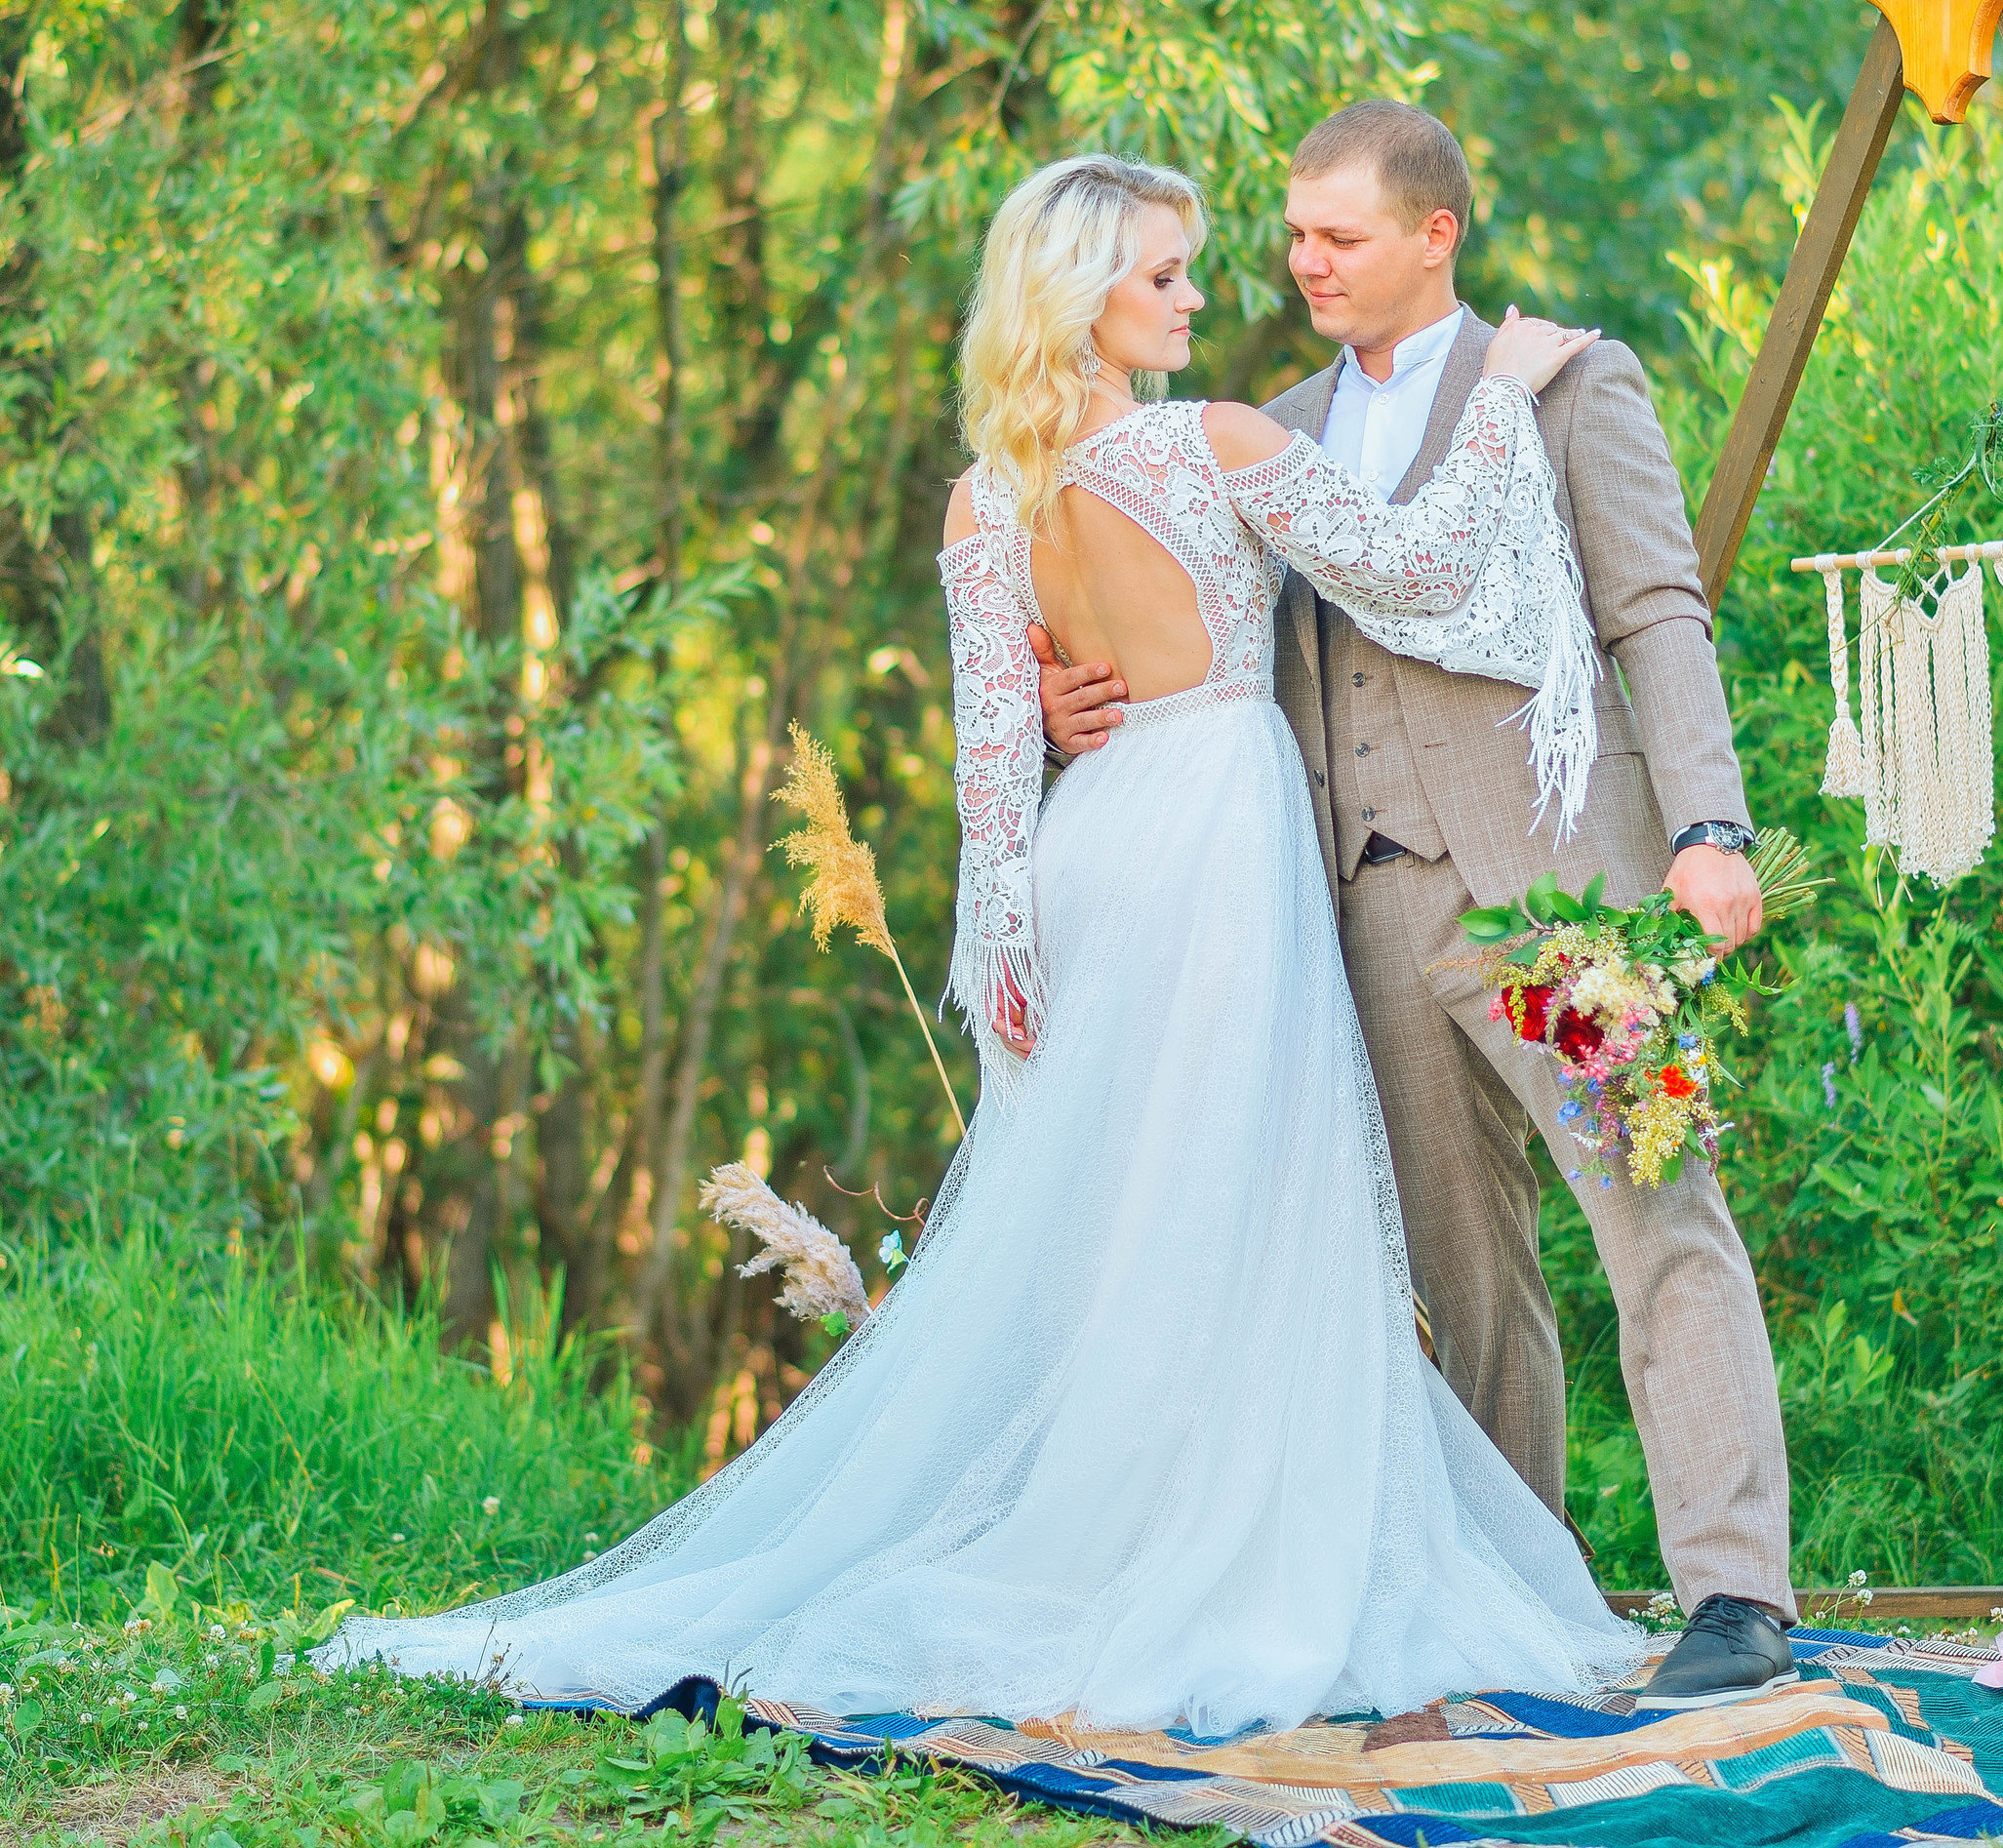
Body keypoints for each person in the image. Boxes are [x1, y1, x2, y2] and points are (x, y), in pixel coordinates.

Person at [317, 151, 1646, 1731]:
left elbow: (991, 763)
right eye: (1164, 274)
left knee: (1121, 1224)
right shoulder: (1215, 444)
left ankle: (1119, 1535)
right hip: (1220, 829)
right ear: (1084, 298)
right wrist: (1505, 386)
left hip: (1094, 852)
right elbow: (1427, 574)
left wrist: (1005, 952)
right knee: (1235, 1200)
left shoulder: (983, 496)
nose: (1196, 295)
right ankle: (1205, 1553)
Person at [1040, 102, 1800, 1711]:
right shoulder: (1272, 425)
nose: (1302, 262)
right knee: (1462, 1276)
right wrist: (1073, 698)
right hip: (1363, 910)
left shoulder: (1572, 383)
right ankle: (1513, 1599)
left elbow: (1657, 607)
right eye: (1296, 235)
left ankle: (1735, 1598)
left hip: (1561, 907)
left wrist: (1712, 826)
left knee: (1661, 1221)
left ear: (1435, 234)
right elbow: (1188, 627)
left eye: (1340, 236)